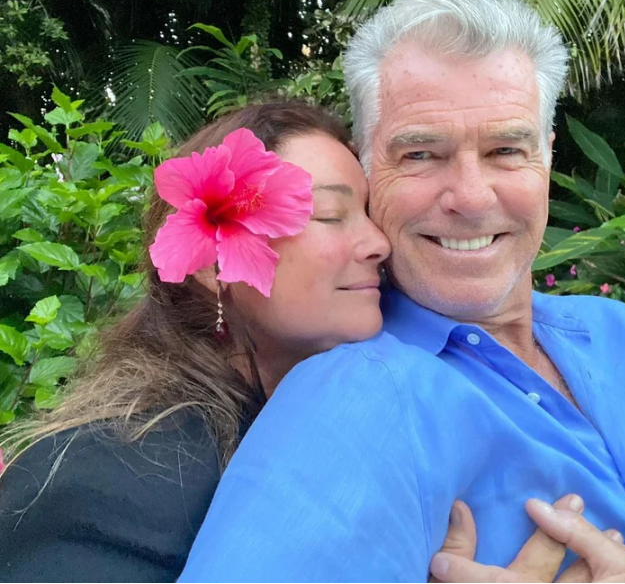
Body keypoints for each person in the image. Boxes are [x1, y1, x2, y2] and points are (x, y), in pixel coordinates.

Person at [179, 0, 625, 582]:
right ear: (365, 166)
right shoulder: (358, 396)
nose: (471, 198)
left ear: (548, 157)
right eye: (420, 155)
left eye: (507, 150)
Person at [0, 100, 392, 582]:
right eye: (330, 214)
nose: (380, 243)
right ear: (212, 263)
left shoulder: (345, 424)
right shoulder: (106, 480)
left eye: (370, 212)